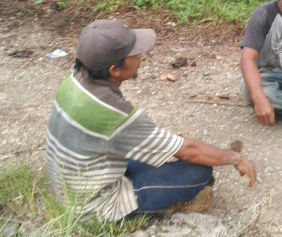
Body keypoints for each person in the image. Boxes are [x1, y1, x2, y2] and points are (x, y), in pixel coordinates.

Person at [46, 19, 256, 222]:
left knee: (172, 150)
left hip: (74, 181)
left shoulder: (74, 79)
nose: (140, 56)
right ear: (114, 69)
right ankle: (165, 206)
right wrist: (235, 158)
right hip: (93, 206)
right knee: (198, 171)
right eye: (134, 54)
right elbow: (188, 150)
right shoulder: (114, 114)